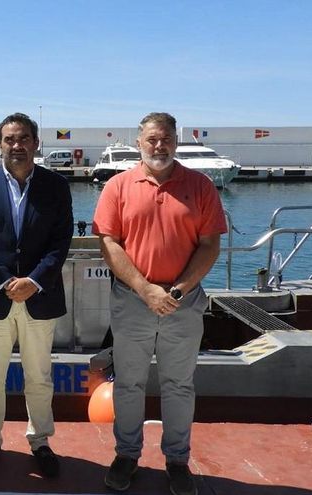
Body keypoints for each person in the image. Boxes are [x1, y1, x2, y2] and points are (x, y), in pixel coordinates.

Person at [91, 112, 227, 495]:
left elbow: (210, 245)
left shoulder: (200, 186)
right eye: (151, 139)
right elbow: (109, 243)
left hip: (183, 302)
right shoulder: (118, 186)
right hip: (131, 301)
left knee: (179, 384)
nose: (159, 145)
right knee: (129, 383)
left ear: (176, 141)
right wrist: (145, 288)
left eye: (166, 138)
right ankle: (127, 455)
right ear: (139, 142)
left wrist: (178, 291)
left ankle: (177, 460)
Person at [0, 113, 73, 478]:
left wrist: (34, 281)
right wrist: (8, 282)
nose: (17, 146)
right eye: (10, 139)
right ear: (0, 145)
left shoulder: (57, 186)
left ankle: (40, 441)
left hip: (40, 298)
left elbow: (61, 242)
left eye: (24, 138)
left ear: (36, 143)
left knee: (39, 376)